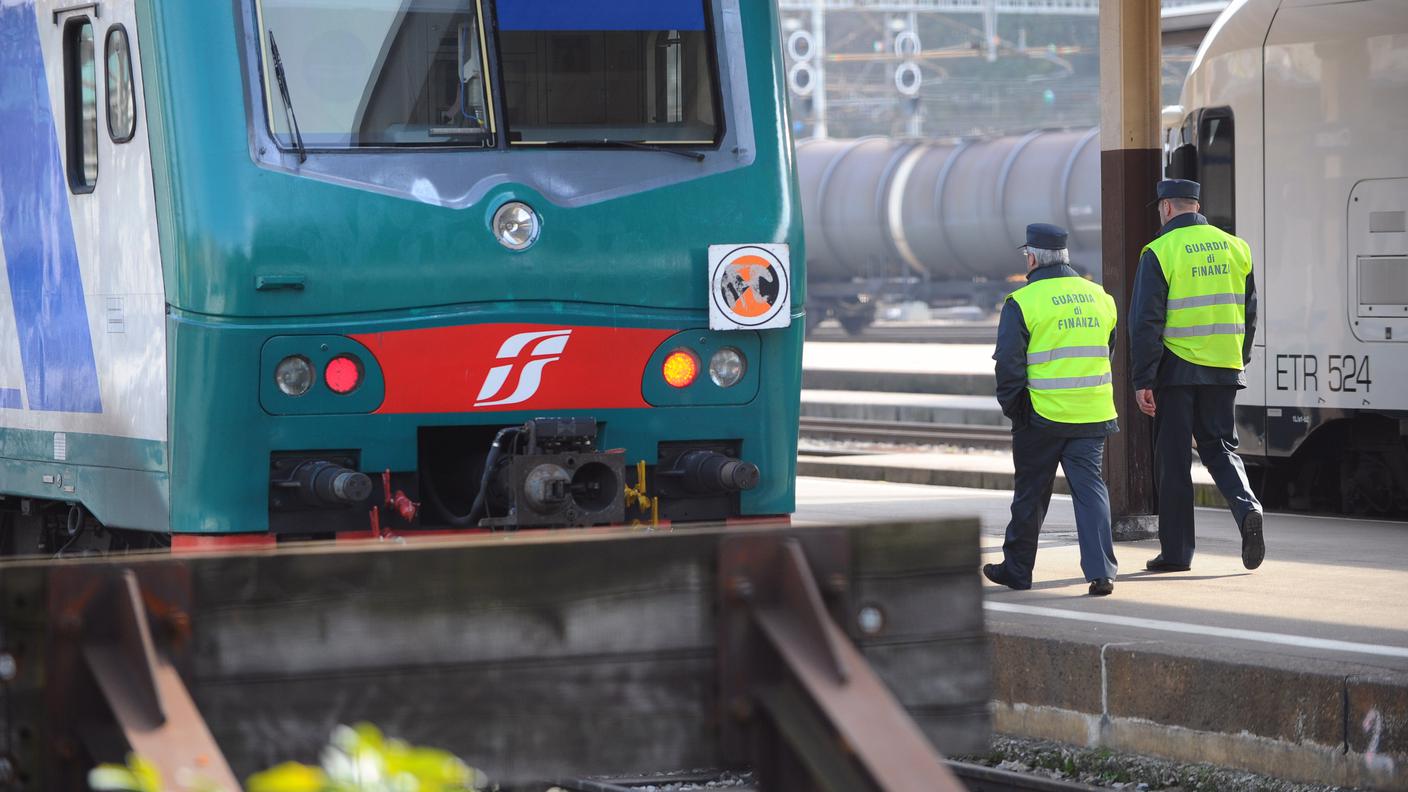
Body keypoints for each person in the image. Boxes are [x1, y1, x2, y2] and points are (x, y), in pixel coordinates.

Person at [1129, 179, 1265, 573]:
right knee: (1221, 449)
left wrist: (1143, 380)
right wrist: (1238, 357)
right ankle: (1247, 509)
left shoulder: (1160, 250)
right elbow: (1249, 312)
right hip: (1223, 368)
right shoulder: (1236, 247)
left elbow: (1147, 321)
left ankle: (1177, 553)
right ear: (1196, 205)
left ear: (1167, 208)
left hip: (1176, 370)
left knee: (1173, 462)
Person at [983, 223, 1120, 596]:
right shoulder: (1100, 297)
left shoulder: (1023, 302)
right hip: (1092, 413)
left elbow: (1008, 366)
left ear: (1031, 257)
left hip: (1041, 417)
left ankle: (1017, 570)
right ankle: (1102, 572)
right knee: (1091, 491)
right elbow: (1106, 350)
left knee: (1030, 493)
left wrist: (1016, 410)